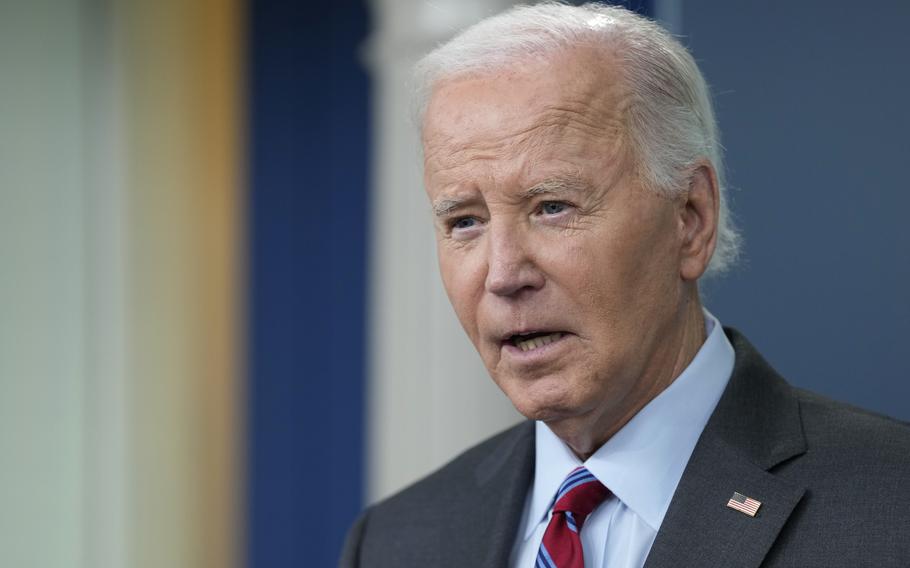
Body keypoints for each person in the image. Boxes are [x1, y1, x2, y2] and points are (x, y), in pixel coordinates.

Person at [341, 3, 910, 567]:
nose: (504, 274)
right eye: (465, 221)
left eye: (553, 207)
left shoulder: (891, 507)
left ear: (690, 219)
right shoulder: (398, 540)